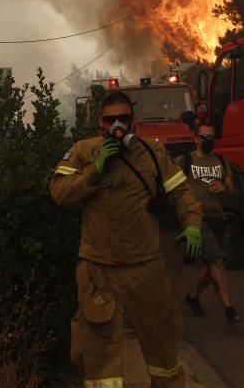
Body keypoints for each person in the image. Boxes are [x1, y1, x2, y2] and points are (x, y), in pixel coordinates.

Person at [50, 90, 203, 388]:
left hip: (146, 269)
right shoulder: (83, 151)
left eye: (123, 118)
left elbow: (182, 193)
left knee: (164, 352)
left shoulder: (153, 153)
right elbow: (59, 192)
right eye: (111, 119)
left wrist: (193, 224)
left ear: (133, 120)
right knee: (100, 362)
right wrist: (95, 170)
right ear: (100, 123)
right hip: (99, 271)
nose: (117, 124)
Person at [176, 122, 243, 325]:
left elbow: (232, 191)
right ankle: (229, 309)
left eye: (212, 137)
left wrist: (223, 187)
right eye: (204, 137)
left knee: (214, 264)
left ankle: (193, 297)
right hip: (195, 219)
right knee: (217, 262)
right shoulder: (185, 160)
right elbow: (172, 187)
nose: (208, 141)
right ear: (196, 138)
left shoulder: (222, 161)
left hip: (218, 217)